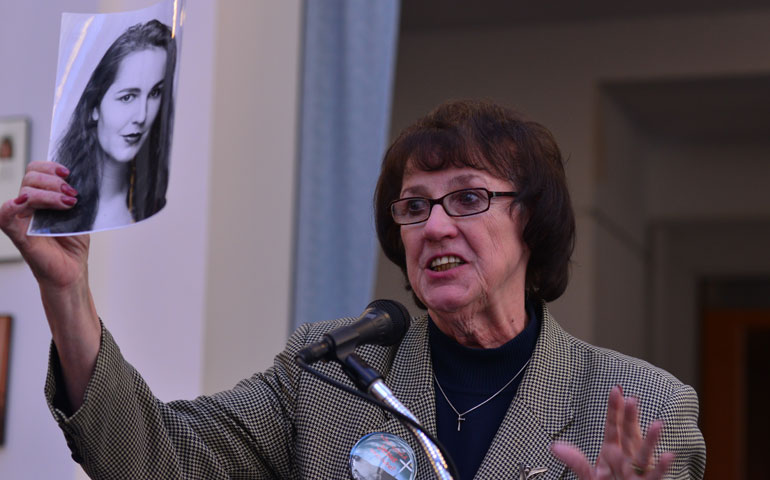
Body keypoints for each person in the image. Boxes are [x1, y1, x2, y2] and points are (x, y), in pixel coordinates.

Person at [0, 100, 705, 479]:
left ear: (531, 221)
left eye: (465, 198)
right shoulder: (332, 371)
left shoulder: (642, 407)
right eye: (414, 206)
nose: (434, 226)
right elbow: (156, 461)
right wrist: (67, 293)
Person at [31, 19, 176, 234]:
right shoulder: (58, 212)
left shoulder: (156, 203)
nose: (142, 116)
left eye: (155, 93)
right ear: (94, 107)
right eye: (128, 97)